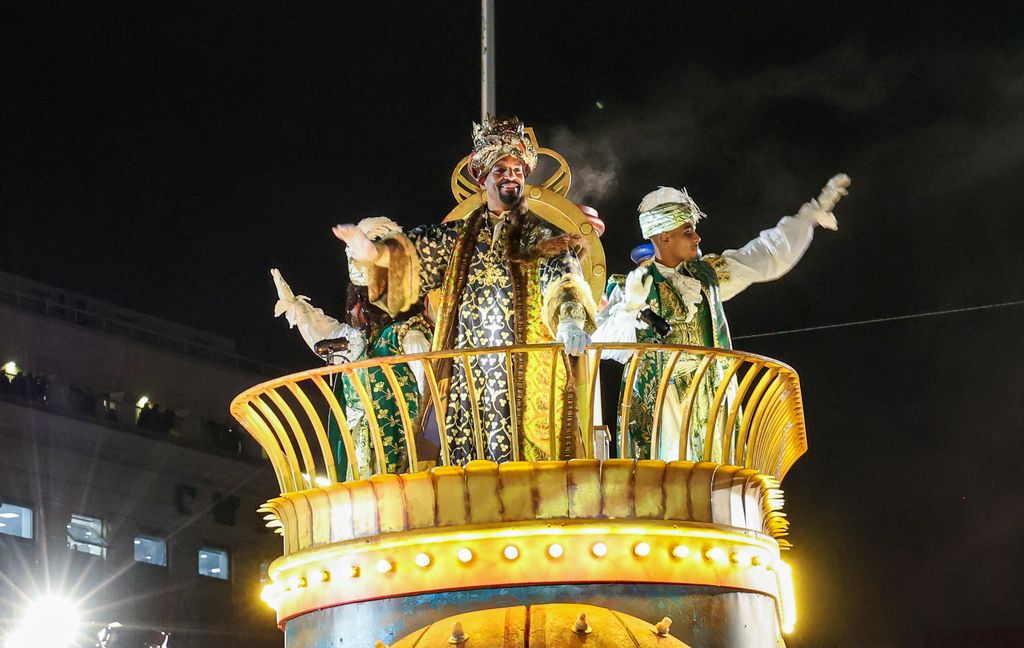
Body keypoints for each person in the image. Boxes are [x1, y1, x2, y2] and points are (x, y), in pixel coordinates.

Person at [332, 116, 597, 465]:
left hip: (527, 369)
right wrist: (373, 254)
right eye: (501, 170)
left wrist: (570, 320)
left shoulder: (542, 236)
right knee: (470, 460)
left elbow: (563, 277)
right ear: (483, 180)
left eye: (517, 170)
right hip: (468, 376)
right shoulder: (458, 239)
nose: (511, 176)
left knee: (529, 458)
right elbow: (414, 254)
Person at [594, 175, 850, 462]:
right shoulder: (628, 285)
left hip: (711, 392)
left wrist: (808, 216)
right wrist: (629, 305)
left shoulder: (707, 275)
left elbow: (762, 256)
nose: (697, 238)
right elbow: (603, 342)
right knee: (670, 478)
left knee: (715, 473)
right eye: (688, 231)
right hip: (663, 398)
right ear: (664, 237)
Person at [273, 217, 432, 478]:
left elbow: (430, 391)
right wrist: (295, 306)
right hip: (360, 442)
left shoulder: (406, 335)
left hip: (401, 445)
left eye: (361, 301)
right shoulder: (360, 340)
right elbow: (326, 332)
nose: (355, 309)